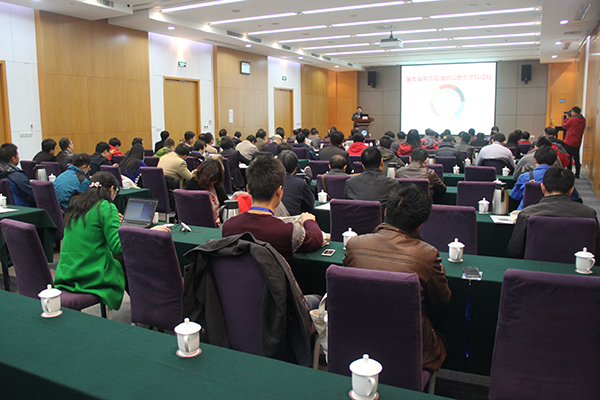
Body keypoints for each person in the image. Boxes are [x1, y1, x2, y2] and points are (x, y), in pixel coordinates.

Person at [343, 184, 451, 372]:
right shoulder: (427, 255)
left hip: (358, 340)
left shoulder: (354, 245)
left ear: (385, 212)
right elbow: (443, 299)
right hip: (408, 346)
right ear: (421, 224)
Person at [54, 172, 169, 310]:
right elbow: (118, 247)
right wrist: (149, 232)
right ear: (112, 189)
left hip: (66, 271)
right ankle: (148, 306)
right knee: (131, 261)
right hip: (90, 274)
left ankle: (143, 305)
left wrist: (114, 223)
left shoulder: (76, 204)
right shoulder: (106, 207)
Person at [222, 155, 322, 261]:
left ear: (248, 189)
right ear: (279, 191)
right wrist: (309, 221)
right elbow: (316, 239)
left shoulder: (228, 226)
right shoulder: (287, 232)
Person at [507, 167, 600, 259]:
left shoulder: (527, 214)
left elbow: (514, 251)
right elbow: (596, 250)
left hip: (534, 267)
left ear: (543, 188)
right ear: (572, 190)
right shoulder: (589, 214)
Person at [510, 147, 579, 210]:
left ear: (535, 160)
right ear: (555, 161)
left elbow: (515, 196)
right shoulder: (563, 177)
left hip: (526, 212)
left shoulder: (524, 177)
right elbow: (574, 198)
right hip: (557, 213)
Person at [184, 158, 227, 223]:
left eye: (214, 181)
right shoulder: (191, 185)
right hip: (197, 221)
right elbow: (183, 208)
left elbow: (225, 203)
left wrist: (221, 217)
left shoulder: (217, 185)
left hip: (218, 222)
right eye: (210, 181)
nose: (211, 184)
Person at [278, 150, 315, 216]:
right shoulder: (300, 184)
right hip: (293, 220)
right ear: (295, 169)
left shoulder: (269, 181)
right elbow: (310, 204)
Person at [561, 106, 586, 178]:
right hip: (577, 141)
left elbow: (564, 126)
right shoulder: (583, 119)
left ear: (574, 112)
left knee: (569, 157)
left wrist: (567, 118)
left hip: (569, 141)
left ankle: (569, 172)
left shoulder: (573, 120)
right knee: (576, 157)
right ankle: (577, 173)